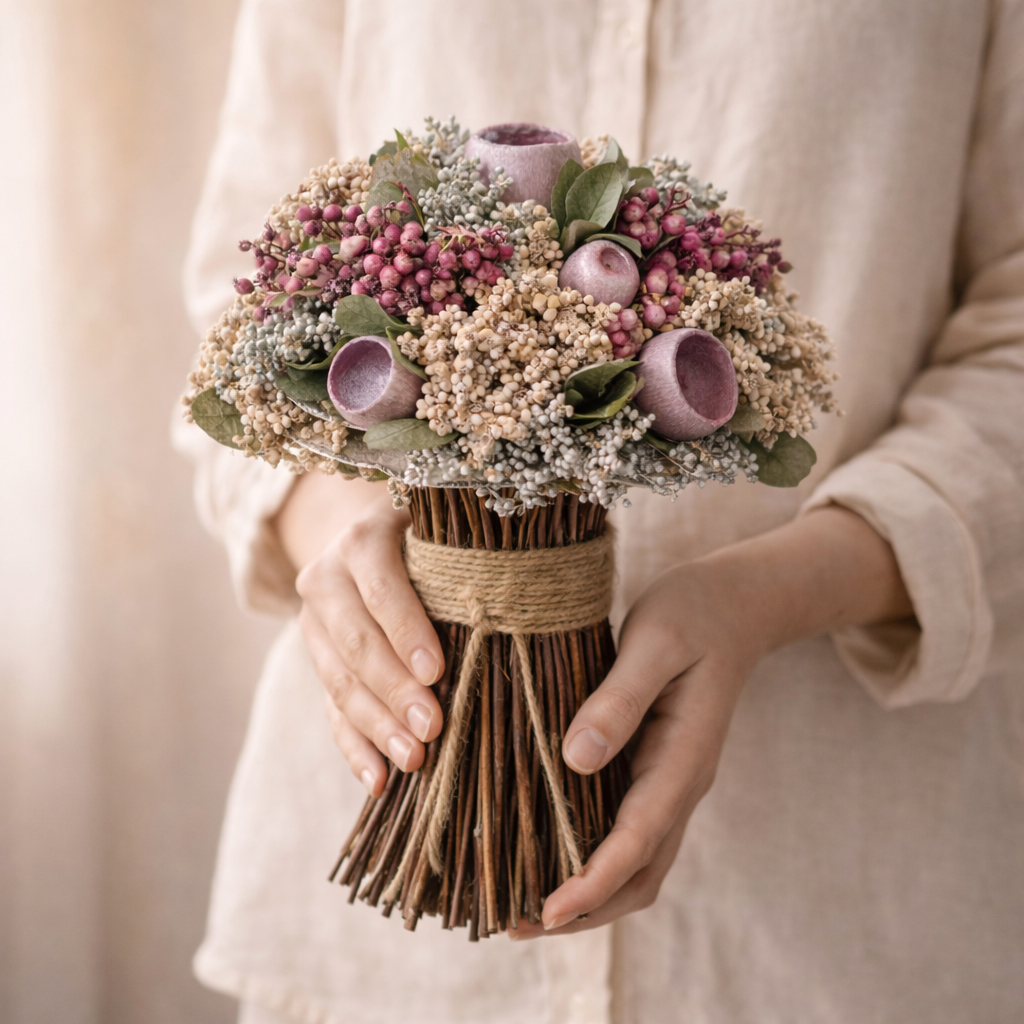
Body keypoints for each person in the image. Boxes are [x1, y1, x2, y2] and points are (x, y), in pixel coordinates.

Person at [178, 1, 1024, 1021]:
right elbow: (250, 298)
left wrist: (766, 595)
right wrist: (339, 538)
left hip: (833, 909)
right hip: (390, 930)